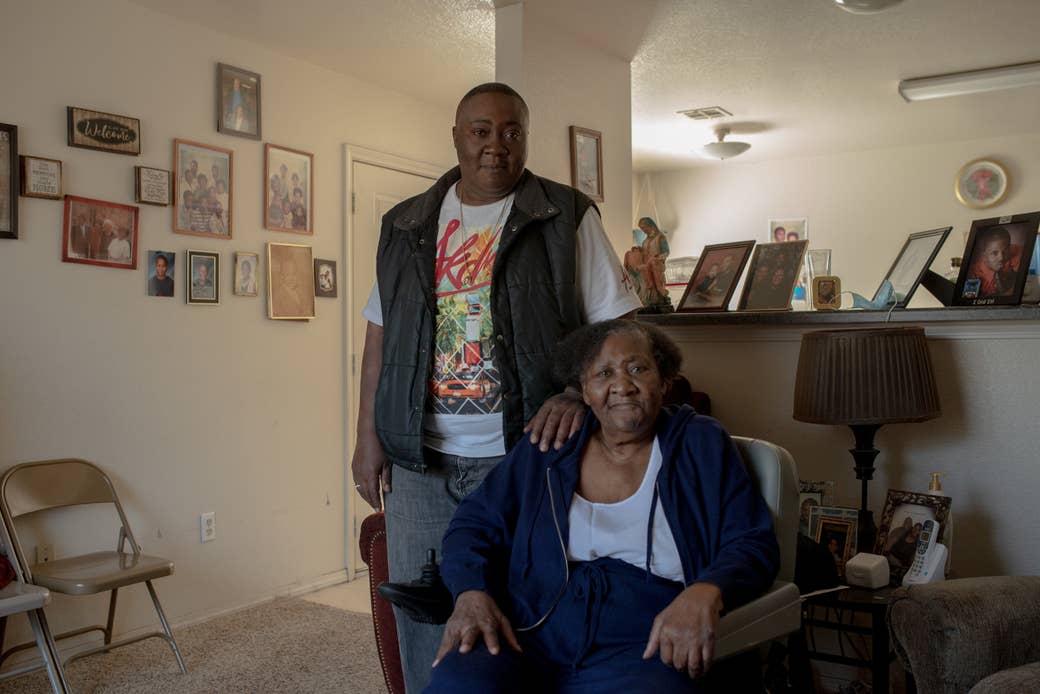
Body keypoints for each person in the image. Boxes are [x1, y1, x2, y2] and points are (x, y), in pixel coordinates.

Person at [352, 82, 641, 693]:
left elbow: (619, 334)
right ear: (457, 136)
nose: (495, 146)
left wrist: (573, 393)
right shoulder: (404, 225)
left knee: (522, 618)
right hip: (420, 461)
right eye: (481, 131)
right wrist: (366, 438)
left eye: (511, 131)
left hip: (524, 457)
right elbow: (380, 340)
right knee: (422, 617)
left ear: (526, 138)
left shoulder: (565, 215)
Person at [427, 320, 779, 692]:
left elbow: (751, 541)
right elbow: (473, 524)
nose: (622, 385)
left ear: (665, 381)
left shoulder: (700, 443)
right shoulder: (550, 446)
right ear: (584, 391)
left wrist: (706, 590)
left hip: (646, 637)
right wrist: (471, 591)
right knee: (457, 681)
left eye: (638, 369)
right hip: (533, 626)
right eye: (604, 373)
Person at [966, 225, 1021, 298]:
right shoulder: (974, 274)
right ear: (984, 256)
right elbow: (969, 303)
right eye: (994, 253)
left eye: (1004, 251)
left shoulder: (1014, 251)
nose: (1001, 258)